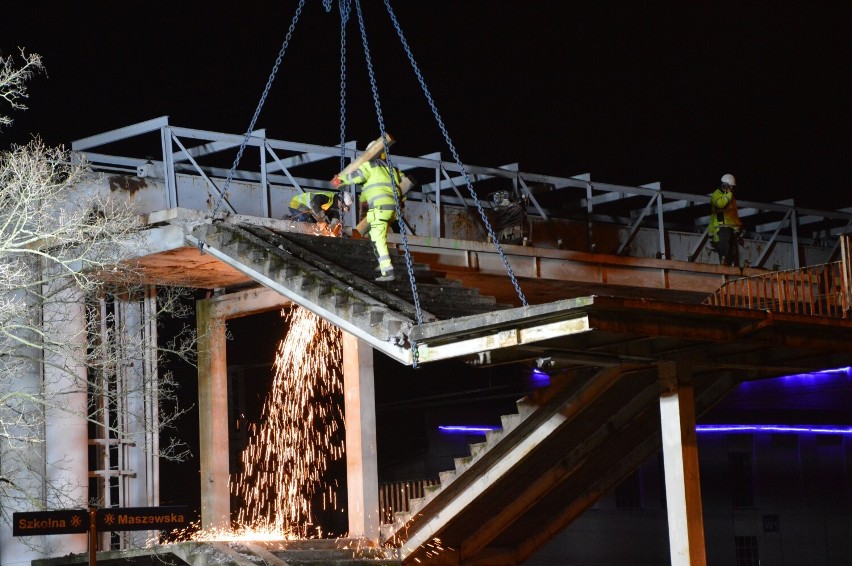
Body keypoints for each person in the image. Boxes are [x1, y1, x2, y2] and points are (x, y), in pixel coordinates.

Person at [332, 139, 407, 282]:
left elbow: (356, 176)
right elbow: (404, 182)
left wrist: (340, 180)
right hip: (392, 210)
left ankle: (388, 271)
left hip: (380, 208)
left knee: (378, 238)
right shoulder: (391, 169)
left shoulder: (369, 166)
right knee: (375, 234)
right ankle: (381, 263)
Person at [708, 173, 743, 266]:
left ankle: (727, 265)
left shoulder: (730, 196)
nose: (731, 189)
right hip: (721, 226)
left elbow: (733, 214)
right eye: (730, 187)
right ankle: (723, 263)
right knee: (724, 246)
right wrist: (728, 195)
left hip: (731, 227)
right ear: (726, 185)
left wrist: (738, 228)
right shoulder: (717, 194)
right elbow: (720, 204)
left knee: (732, 250)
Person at [288, 191, 352, 225]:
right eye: (342, 205)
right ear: (340, 199)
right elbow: (314, 203)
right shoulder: (327, 198)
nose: (341, 207)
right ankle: (288, 221)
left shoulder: (332, 205)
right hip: (297, 204)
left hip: (305, 208)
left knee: (319, 224)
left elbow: (334, 214)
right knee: (310, 221)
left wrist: (333, 225)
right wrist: (321, 219)